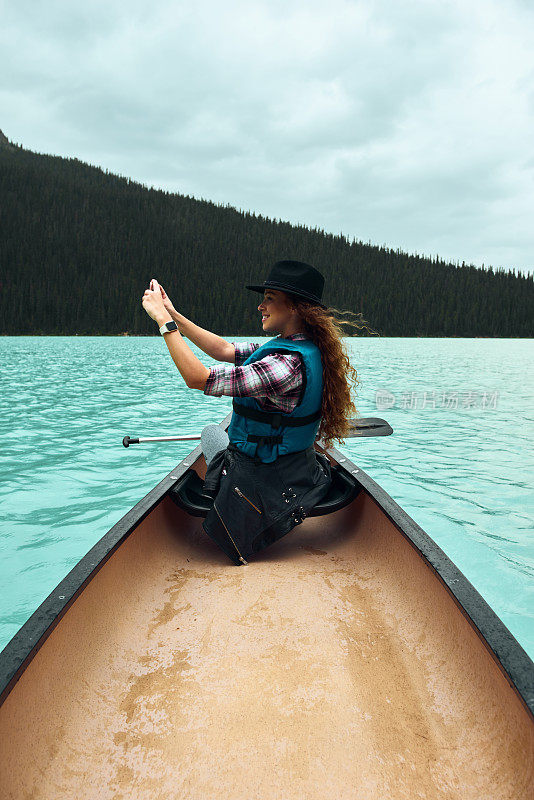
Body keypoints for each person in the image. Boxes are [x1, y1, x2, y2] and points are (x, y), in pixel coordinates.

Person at [142, 259, 366, 565]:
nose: (261, 306)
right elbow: (222, 350)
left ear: (296, 308)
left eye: (270, 298)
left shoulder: (286, 365)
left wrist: (162, 323)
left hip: (262, 478)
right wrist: (175, 314)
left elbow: (198, 378)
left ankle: (219, 489)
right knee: (218, 433)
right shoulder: (297, 347)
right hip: (297, 469)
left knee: (211, 433)